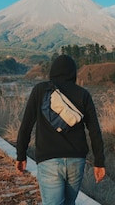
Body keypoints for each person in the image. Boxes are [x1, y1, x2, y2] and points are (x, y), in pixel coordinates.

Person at [16, 54, 106, 205]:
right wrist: (99, 162)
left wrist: (21, 155)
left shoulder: (40, 90)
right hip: (76, 161)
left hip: (49, 160)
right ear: (73, 73)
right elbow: (95, 131)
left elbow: (26, 125)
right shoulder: (83, 94)